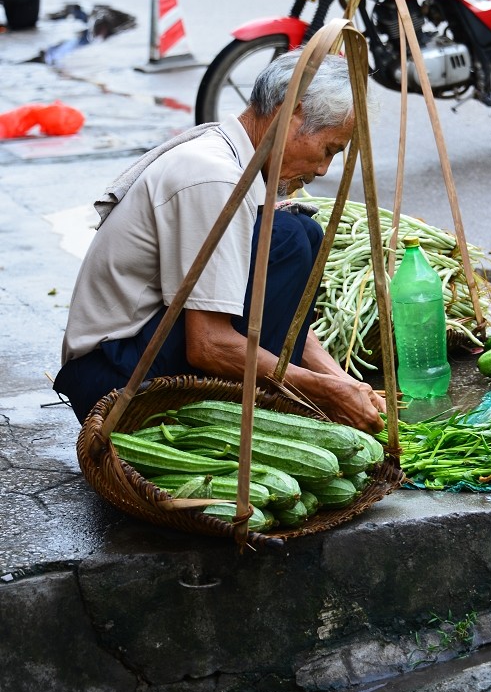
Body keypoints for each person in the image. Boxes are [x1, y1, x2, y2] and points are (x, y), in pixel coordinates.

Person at [53, 51, 386, 434]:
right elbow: (208, 344)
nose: (323, 170)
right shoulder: (215, 177)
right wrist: (323, 391)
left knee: (301, 232)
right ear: (288, 115)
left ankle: (268, 407)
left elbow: (279, 311)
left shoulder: (232, 159)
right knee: (290, 239)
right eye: (328, 149)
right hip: (113, 378)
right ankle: (246, 419)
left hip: (138, 353)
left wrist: (341, 381)